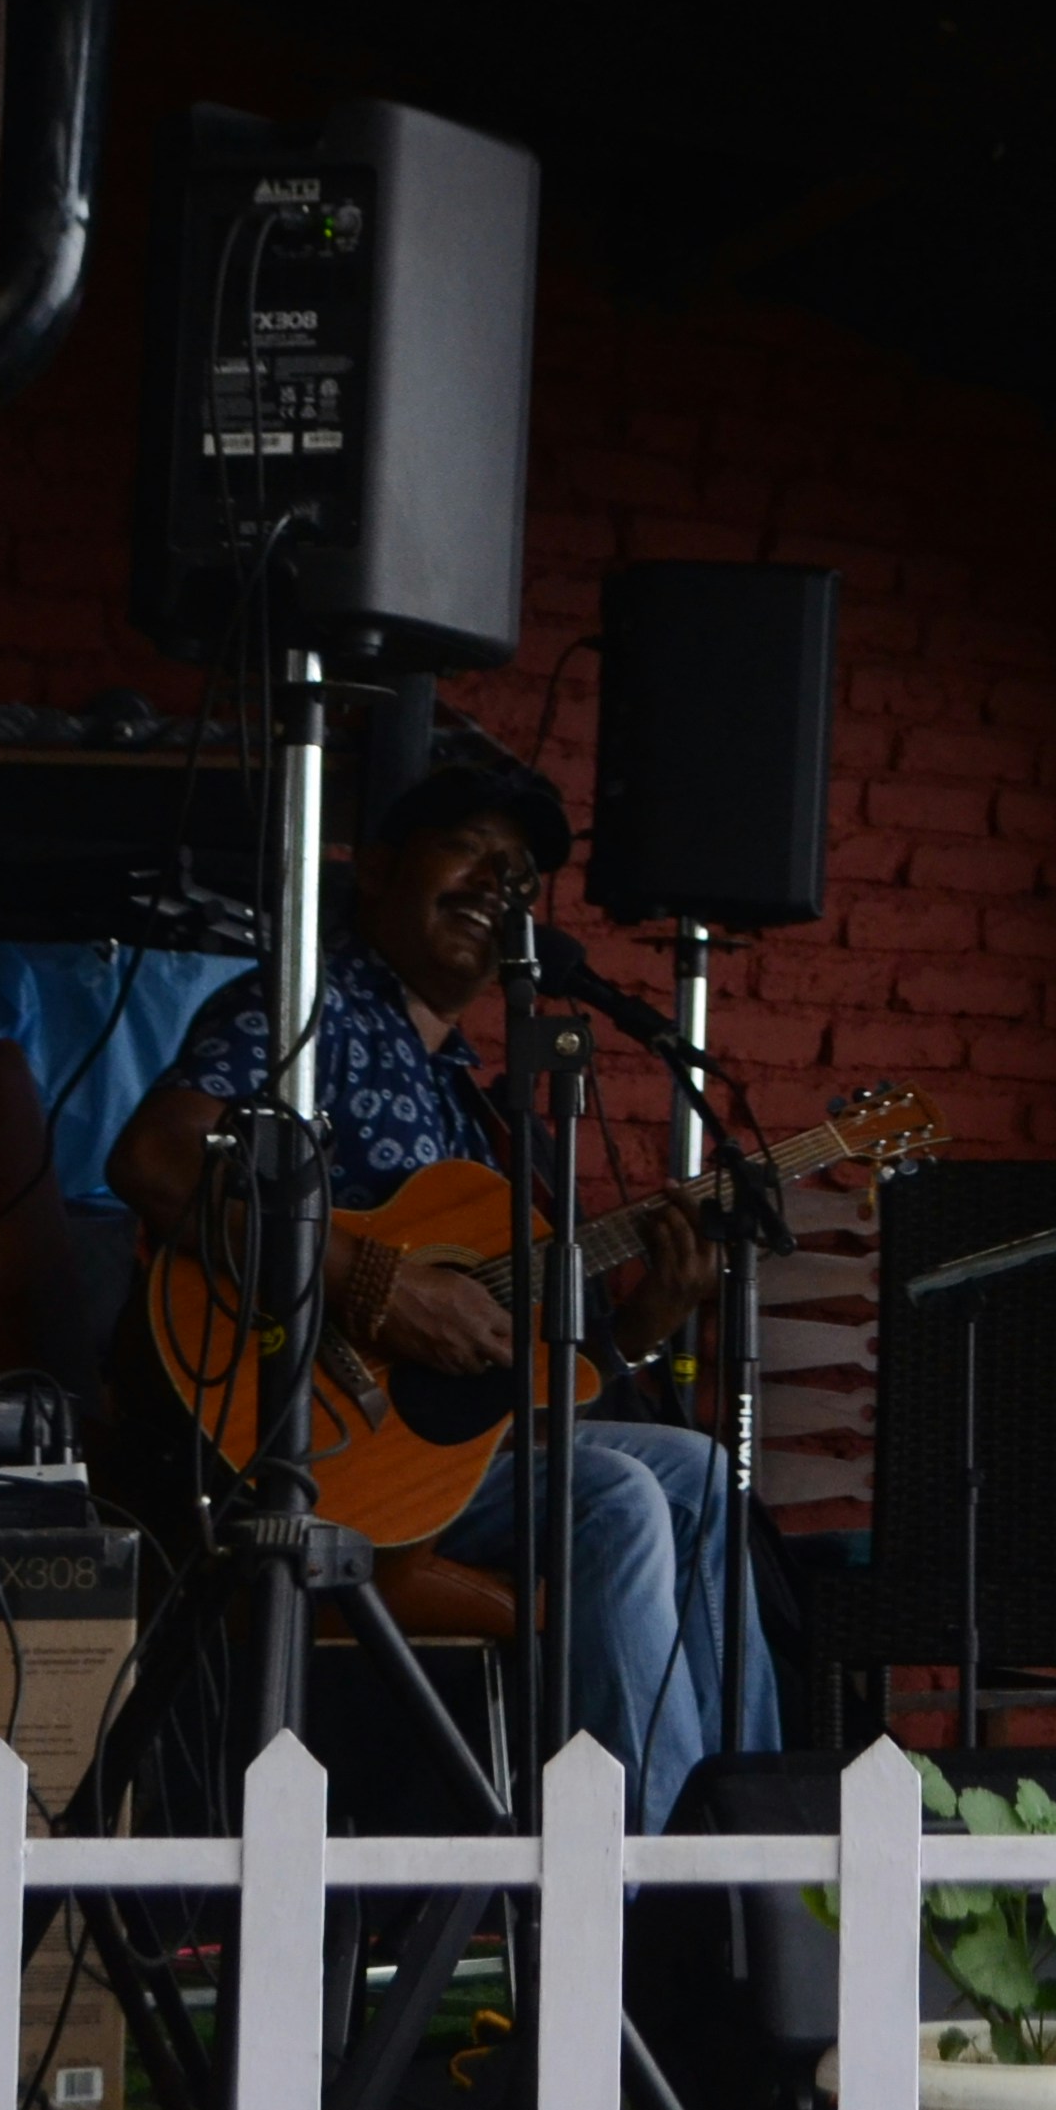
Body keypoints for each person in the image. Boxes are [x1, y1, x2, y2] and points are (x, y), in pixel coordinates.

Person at [109, 756, 774, 1831]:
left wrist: (647, 1320)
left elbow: (519, 1394)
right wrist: (374, 1282)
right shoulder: (306, 1012)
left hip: (428, 1463)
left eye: (518, 871)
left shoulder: (471, 1103)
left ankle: (746, 1848)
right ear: (373, 872)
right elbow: (153, 1160)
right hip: (292, 1437)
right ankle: (654, 1896)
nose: (496, 881)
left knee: (698, 1473)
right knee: (616, 1502)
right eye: (466, 847)